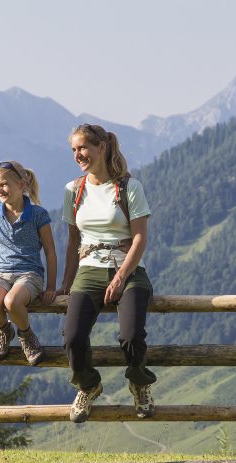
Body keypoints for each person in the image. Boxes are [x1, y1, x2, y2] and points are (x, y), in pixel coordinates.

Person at [58, 123, 156, 423]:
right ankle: (89, 385)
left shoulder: (129, 187)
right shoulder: (73, 190)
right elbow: (73, 240)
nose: (79, 154)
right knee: (72, 338)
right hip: (89, 269)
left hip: (128, 269)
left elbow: (140, 238)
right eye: (74, 149)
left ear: (102, 147)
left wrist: (120, 277)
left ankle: (139, 382)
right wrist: (65, 283)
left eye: (83, 148)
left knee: (130, 336)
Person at [0, 160, 57, 366]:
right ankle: (4, 330)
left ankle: (27, 336)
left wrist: (51, 287)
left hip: (30, 274)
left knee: (12, 302)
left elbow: (50, 251)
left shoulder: (38, 214)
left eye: (4, 184)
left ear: (21, 184)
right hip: (1, 273)